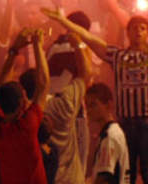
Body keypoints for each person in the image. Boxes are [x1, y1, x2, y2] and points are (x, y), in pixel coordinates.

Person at [42, 9, 148, 184]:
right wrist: (62, 20)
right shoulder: (117, 55)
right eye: (134, 28)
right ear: (127, 32)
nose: (138, 31)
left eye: (143, 28)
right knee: (127, 173)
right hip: (125, 121)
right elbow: (89, 38)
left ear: (147, 31)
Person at [0, 28, 50, 184]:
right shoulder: (26, 127)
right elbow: (43, 84)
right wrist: (37, 45)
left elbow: (1, 85)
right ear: (21, 103)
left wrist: (14, 50)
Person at [43, 32, 92, 184]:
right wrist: (78, 45)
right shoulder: (82, 47)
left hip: (48, 106)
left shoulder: (52, 48)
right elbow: (86, 76)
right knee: (77, 164)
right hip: (72, 109)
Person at [85, 83, 130, 184]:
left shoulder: (109, 137)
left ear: (108, 105)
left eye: (93, 104)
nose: (89, 110)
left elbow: (104, 178)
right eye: (87, 105)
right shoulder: (112, 132)